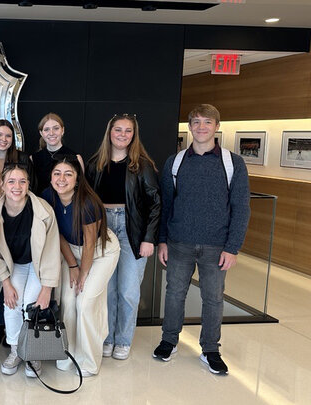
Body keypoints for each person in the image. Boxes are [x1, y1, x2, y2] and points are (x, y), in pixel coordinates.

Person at [153, 104, 250, 375]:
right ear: (189, 127)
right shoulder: (176, 162)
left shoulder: (233, 163)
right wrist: (162, 240)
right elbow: (166, 205)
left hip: (216, 246)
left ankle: (210, 350)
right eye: (196, 122)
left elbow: (241, 208)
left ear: (217, 126)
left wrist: (233, 248)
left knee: (213, 298)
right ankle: (169, 340)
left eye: (207, 122)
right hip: (179, 243)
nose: (201, 127)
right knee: (174, 294)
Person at [86, 115, 161, 361]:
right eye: (118, 129)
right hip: (103, 227)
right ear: (110, 132)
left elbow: (155, 204)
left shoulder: (143, 165)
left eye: (128, 131)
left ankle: (123, 340)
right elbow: (85, 200)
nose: (122, 134)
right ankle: (107, 337)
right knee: (107, 289)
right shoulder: (96, 163)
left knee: (128, 290)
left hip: (133, 230)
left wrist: (149, 238)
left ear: (133, 134)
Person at [41, 156, 120, 377]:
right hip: (72, 253)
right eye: (57, 173)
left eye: (68, 174)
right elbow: (57, 235)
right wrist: (72, 265)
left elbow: (90, 243)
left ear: (77, 179)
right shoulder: (48, 197)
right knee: (67, 302)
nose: (62, 179)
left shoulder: (87, 202)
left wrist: (82, 273)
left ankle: (89, 360)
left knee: (84, 303)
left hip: (101, 252)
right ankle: (68, 355)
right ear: (51, 176)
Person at [0, 164, 60, 377]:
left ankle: (33, 353)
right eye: (11, 181)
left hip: (38, 266)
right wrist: (6, 283)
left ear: (28, 185)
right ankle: (17, 350)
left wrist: (47, 289)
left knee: (32, 305)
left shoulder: (43, 210)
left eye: (22, 181)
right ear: (2, 185)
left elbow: (51, 251)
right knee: (12, 303)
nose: (16, 186)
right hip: (13, 265)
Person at [0, 119, 35, 346]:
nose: (3, 139)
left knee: (12, 276)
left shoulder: (23, 159)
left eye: (7, 135)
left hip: (17, 219)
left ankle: (12, 330)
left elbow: (29, 187)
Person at [31, 113, 84, 194]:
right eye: (46, 129)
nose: (51, 133)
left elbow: (81, 188)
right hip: (41, 204)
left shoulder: (76, 157)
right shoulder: (33, 159)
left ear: (62, 131)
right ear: (41, 133)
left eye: (56, 128)